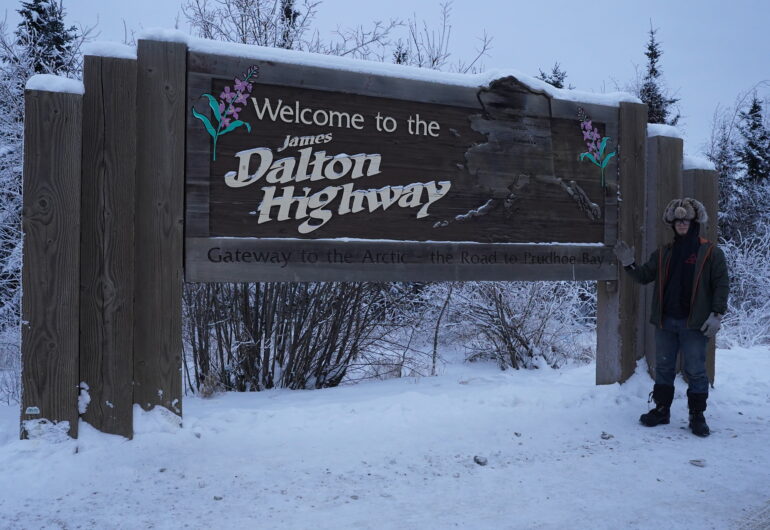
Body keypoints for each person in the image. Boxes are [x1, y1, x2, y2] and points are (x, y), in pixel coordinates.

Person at [613, 197, 729, 437]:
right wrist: (629, 264)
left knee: (696, 370)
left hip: (694, 324)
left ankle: (697, 415)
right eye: (678, 221)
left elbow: (721, 284)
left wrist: (716, 314)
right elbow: (644, 276)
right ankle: (662, 409)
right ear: (673, 225)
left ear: (694, 221)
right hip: (666, 322)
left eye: (686, 220)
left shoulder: (710, 253)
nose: (682, 224)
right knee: (664, 368)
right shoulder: (664, 253)